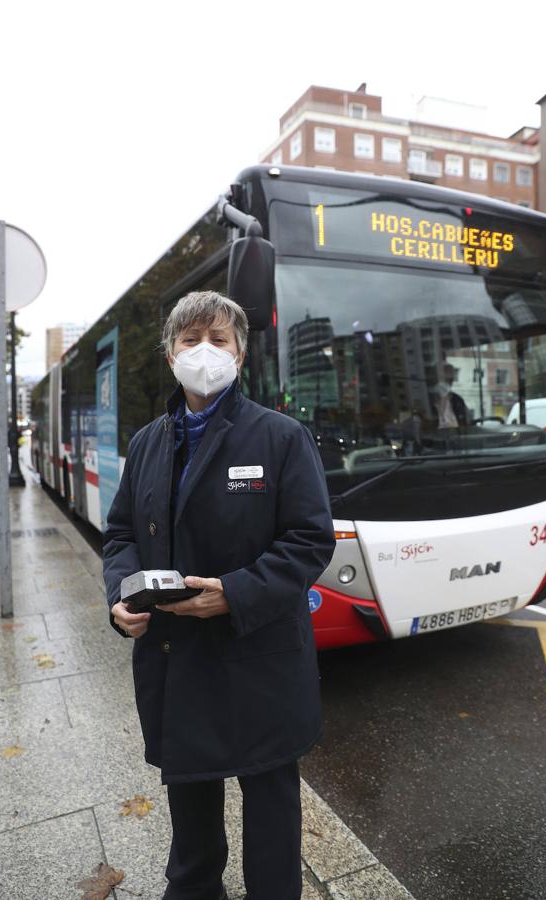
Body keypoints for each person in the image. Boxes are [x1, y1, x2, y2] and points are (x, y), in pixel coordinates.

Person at [102, 290, 336, 900]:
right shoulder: (147, 443)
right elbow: (121, 533)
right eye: (190, 339)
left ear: (240, 354)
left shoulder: (281, 437)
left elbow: (310, 540)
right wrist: (119, 598)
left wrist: (233, 592)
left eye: (220, 340)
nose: (204, 351)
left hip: (258, 657)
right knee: (192, 817)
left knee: (271, 817)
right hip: (176, 661)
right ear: (170, 352)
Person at [432, 363, 469, 429]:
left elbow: (465, 426)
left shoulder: (458, 401)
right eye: (445, 379)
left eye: (450, 380)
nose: (447, 384)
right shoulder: (427, 401)